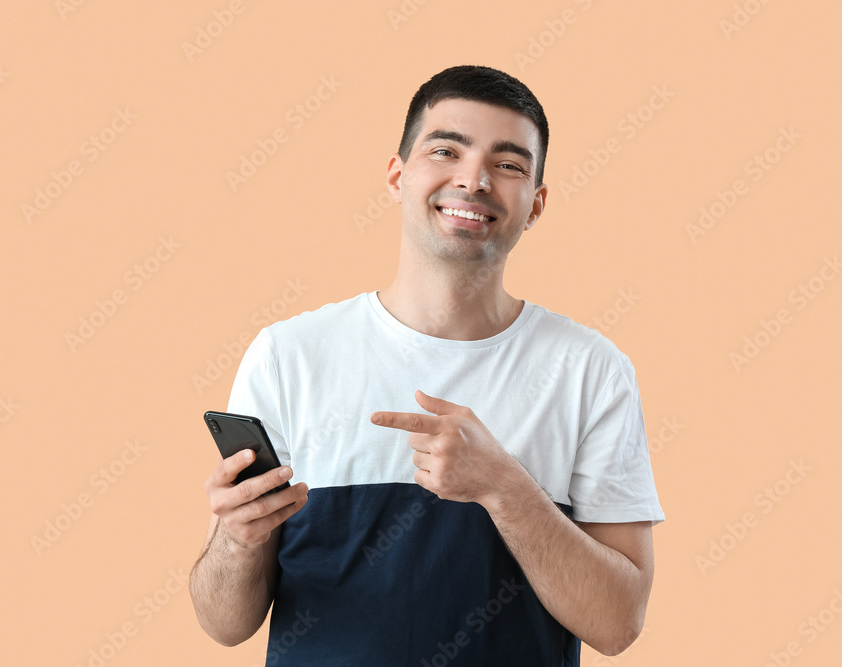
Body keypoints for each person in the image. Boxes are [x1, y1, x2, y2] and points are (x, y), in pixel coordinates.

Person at [190, 64, 664, 665]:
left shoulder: (591, 370)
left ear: (536, 204)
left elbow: (618, 623)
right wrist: (236, 539)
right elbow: (224, 624)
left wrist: (504, 487)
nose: (474, 179)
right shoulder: (289, 356)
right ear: (397, 176)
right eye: (446, 150)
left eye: (509, 164)